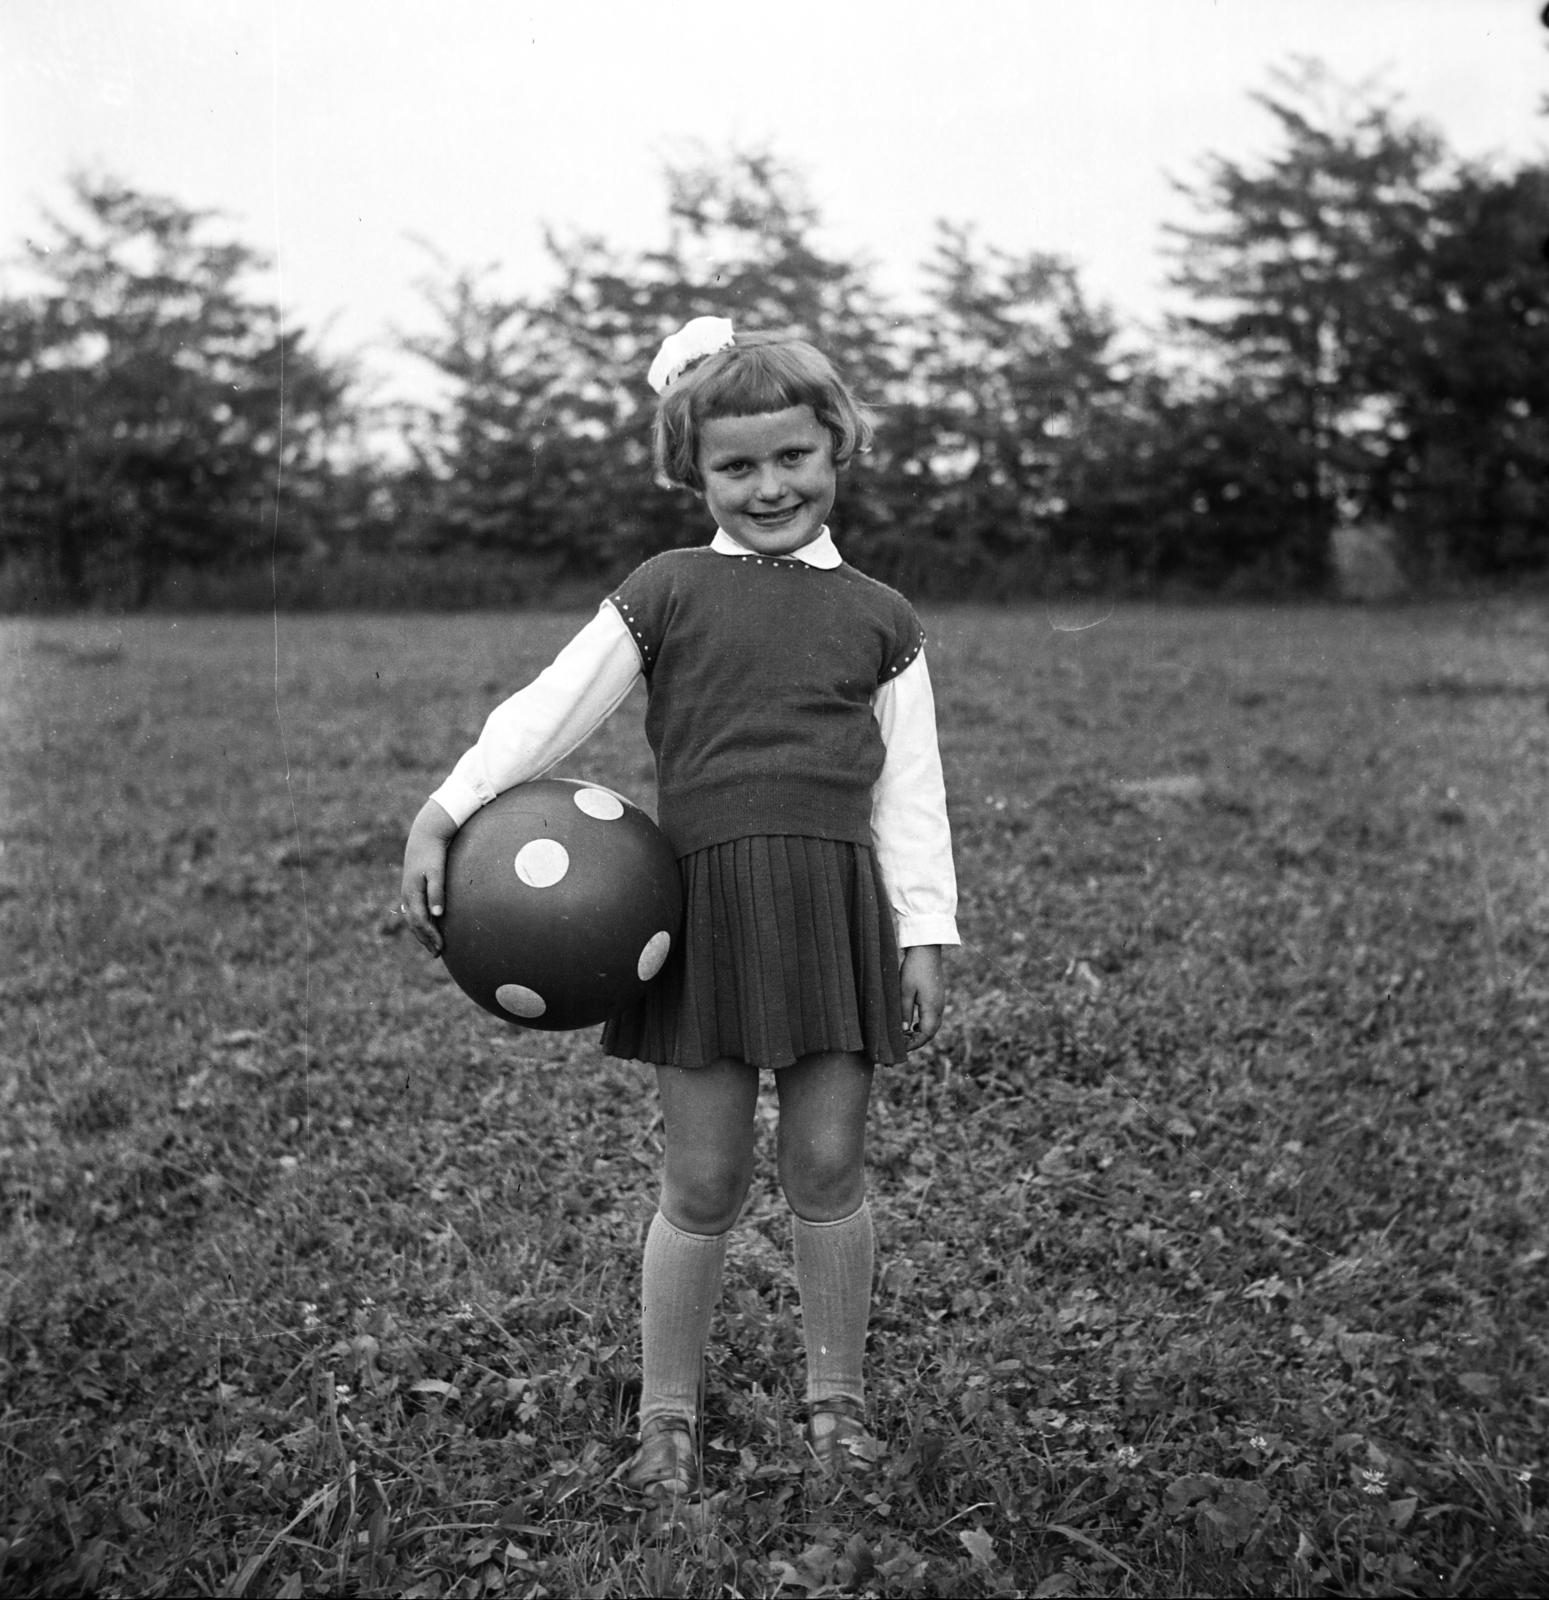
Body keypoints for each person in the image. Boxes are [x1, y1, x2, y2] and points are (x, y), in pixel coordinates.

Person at [400, 316, 958, 1498]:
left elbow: (913, 791)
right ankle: (666, 1417)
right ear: (691, 472)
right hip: (697, 919)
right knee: (701, 1180)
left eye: (793, 456)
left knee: (827, 1162)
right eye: (737, 465)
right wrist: (449, 807)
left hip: (828, 914)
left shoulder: (880, 616)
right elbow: (553, 707)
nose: (769, 486)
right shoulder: (665, 591)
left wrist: (922, 930)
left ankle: (837, 1401)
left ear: (837, 446)